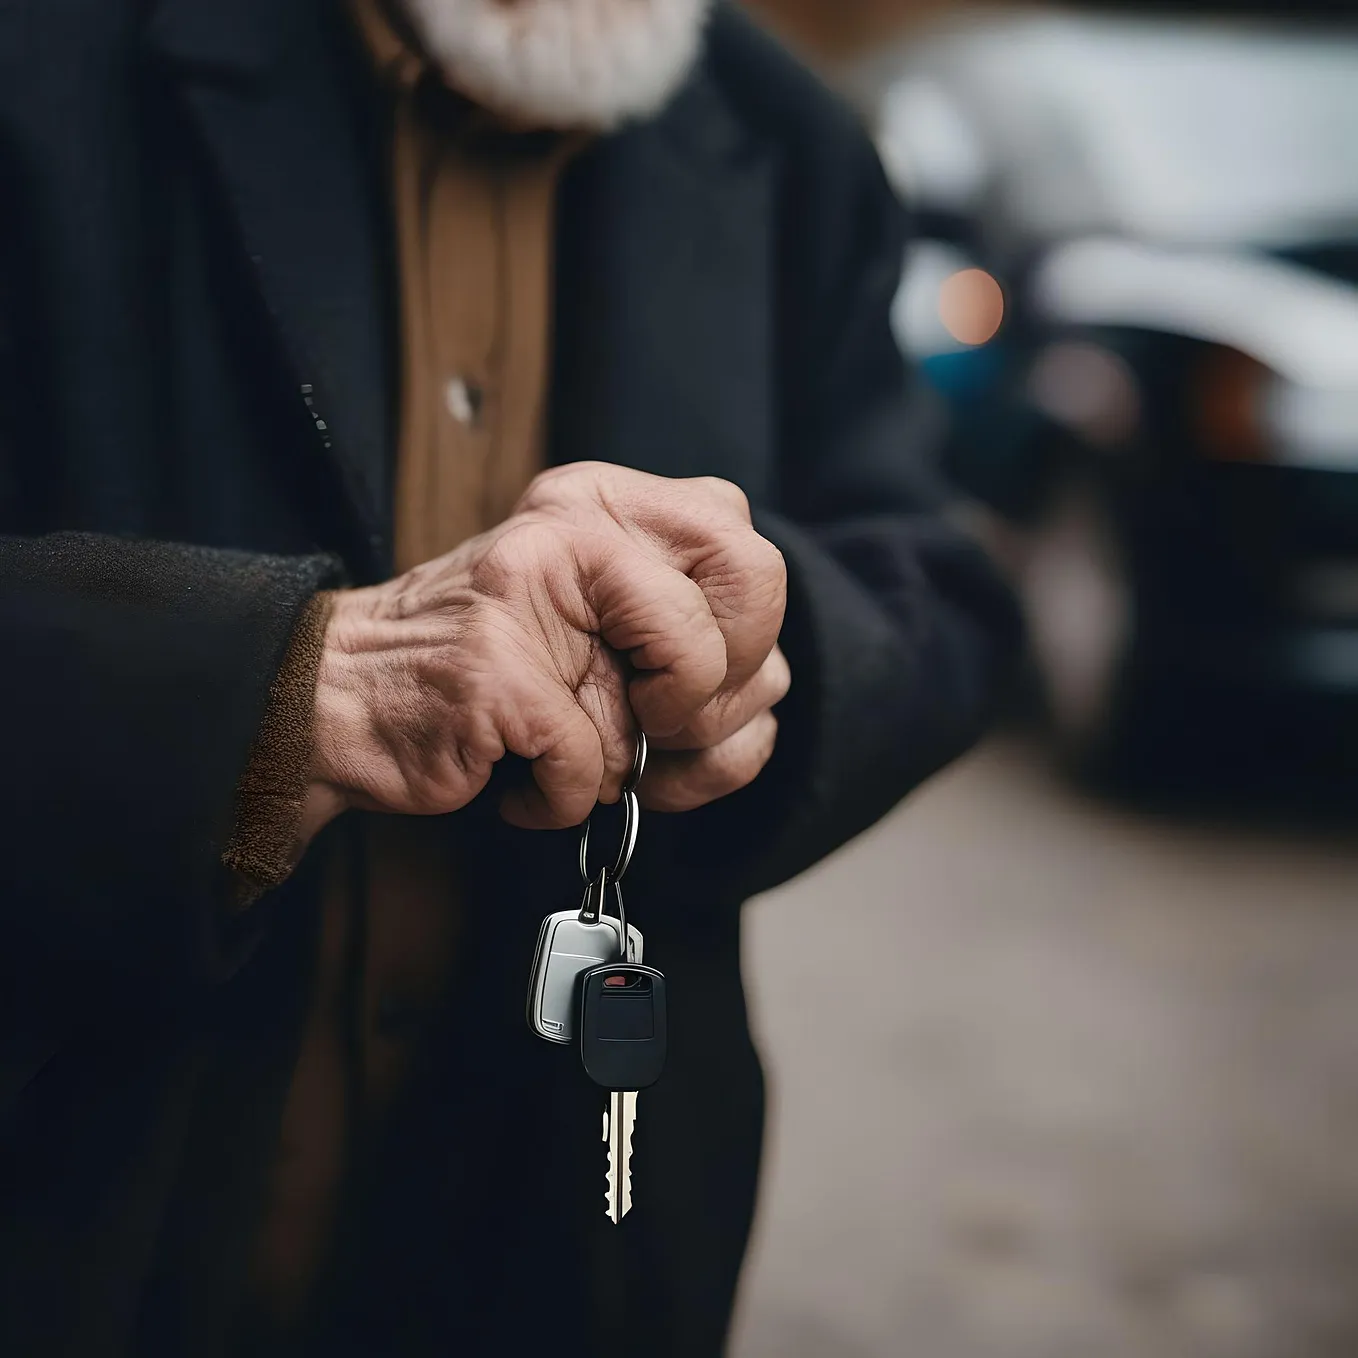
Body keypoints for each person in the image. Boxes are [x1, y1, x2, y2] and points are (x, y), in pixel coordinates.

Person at [0, 1, 1021, 1354]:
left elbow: (932, 578)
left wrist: (768, 655)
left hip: (574, 1259)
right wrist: (283, 691)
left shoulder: (792, 138)